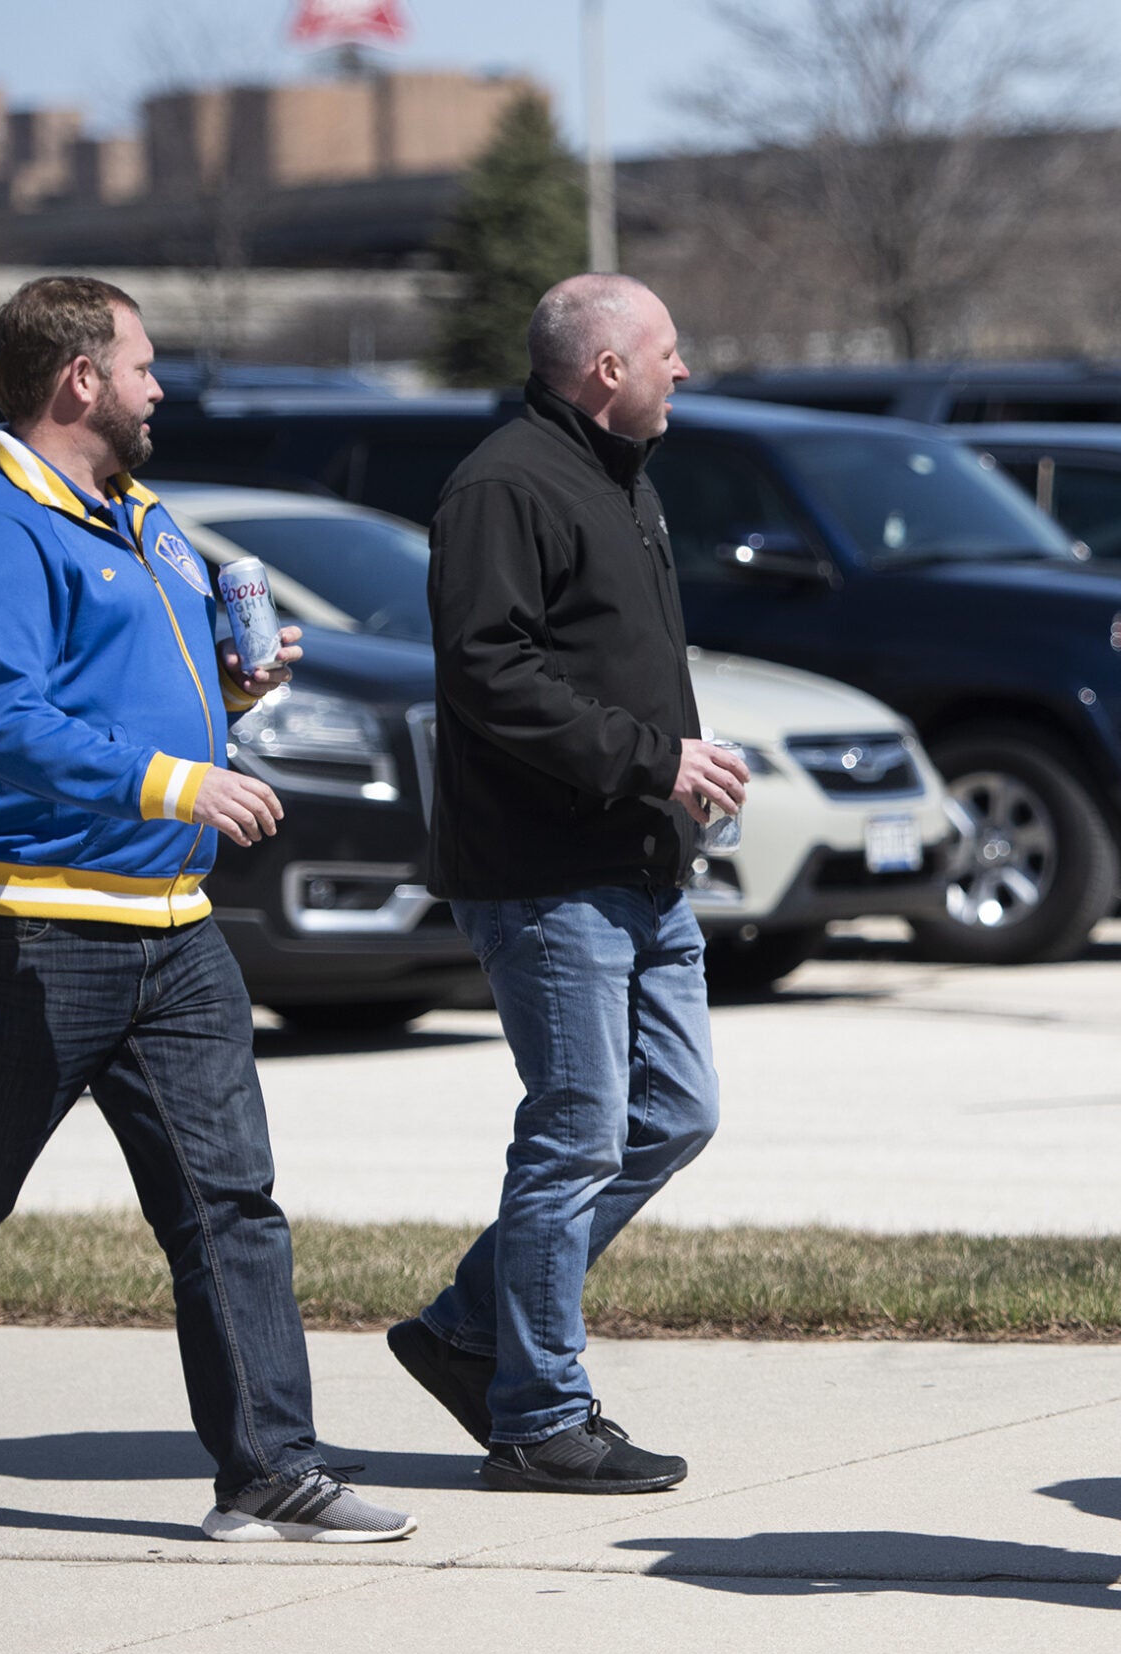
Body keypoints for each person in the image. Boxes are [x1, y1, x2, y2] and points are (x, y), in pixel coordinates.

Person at [0, 276, 415, 1546]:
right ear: (79, 381)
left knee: (231, 1204)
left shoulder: (145, 517)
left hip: (171, 926)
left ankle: (268, 1466)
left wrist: (234, 697)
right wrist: (177, 779)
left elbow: (132, 703)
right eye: (144, 366)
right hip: (24, 931)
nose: (163, 388)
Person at [382, 274, 744, 1496]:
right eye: (667, 350)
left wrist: (672, 778)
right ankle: (539, 1416)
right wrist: (655, 757)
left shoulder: (616, 477)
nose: (681, 370)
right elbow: (488, 674)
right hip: (546, 881)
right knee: (573, 1138)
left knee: (673, 1115)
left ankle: (467, 1326)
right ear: (604, 369)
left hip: (637, 860)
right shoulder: (503, 484)